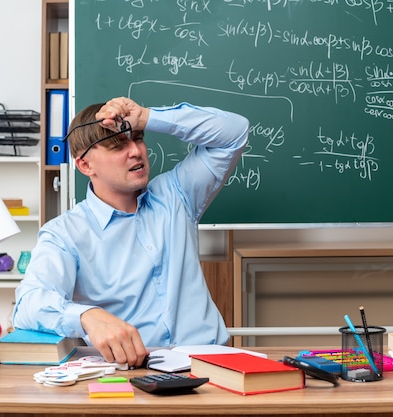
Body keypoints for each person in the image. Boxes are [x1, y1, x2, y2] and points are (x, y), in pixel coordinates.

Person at [13, 97, 248, 367]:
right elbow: (28, 304)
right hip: (132, 372)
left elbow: (235, 131)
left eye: (138, 138)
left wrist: (147, 116)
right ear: (85, 165)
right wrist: (88, 317)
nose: (136, 151)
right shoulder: (64, 234)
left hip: (210, 363)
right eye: (118, 145)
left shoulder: (176, 195)